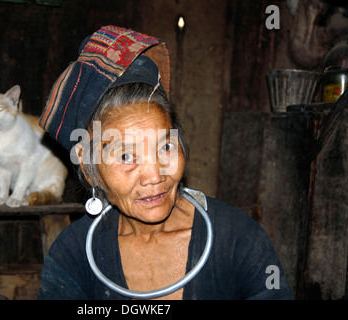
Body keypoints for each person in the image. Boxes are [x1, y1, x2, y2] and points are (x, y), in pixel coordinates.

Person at [37, 25, 294, 300]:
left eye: (165, 147)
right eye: (126, 156)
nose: (154, 176)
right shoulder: (73, 255)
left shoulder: (238, 241)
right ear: (89, 171)